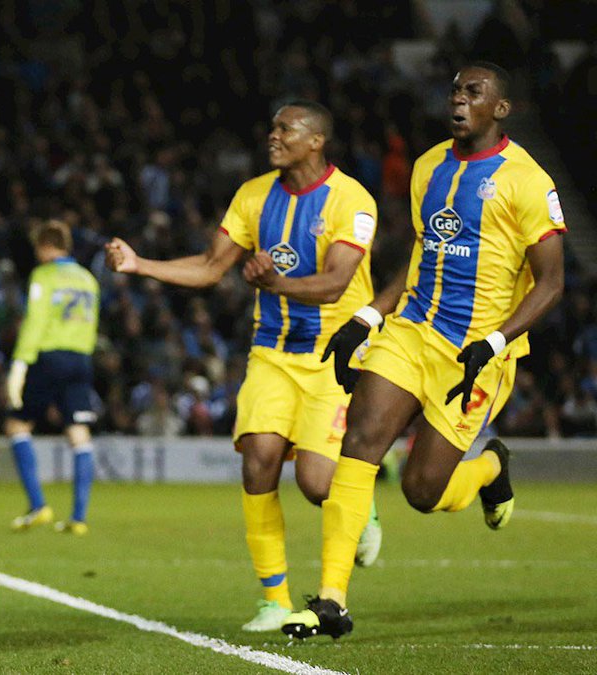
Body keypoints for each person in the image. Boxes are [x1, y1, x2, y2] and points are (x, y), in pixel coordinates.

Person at [282, 62, 566, 640]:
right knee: (361, 441)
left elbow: (553, 283)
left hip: (479, 351)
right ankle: (331, 600)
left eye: (474, 92)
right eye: (455, 90)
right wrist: (368, 317)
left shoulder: (529, 181)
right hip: (412, 330)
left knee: (421, 492)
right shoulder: (427, 166)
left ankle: (490, 468)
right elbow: (420, 253)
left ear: (500, 108)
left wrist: (496, 340)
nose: (458, 100)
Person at [106, 100, 383, 632]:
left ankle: (359, 503)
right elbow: (212, 268)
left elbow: (335, 283)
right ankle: (274, 599)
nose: (272, 134)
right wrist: (141, 264)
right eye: (273, 125)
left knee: (316, 483)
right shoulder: (253, 196)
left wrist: (274, 283)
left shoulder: (352, 200)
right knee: (257, 460)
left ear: (316, 140)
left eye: (285, 128)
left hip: (335, 356)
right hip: (273, 351)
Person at [6, 219, 101, 535]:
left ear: (45, 247)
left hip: (49, 357)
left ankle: (38, 505)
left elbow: (35, 320)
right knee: (78, 433)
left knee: (18, 424)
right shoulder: (88, 279)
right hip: (81, 359)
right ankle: (79, 517)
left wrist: (20, 363)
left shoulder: (44, 276)